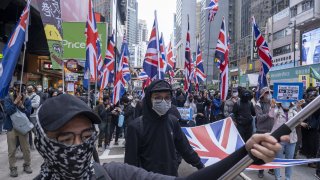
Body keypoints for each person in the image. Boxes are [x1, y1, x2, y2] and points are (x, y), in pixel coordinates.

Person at [33, 93, 285, 180]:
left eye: (86, 137)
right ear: (43, 143)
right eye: (65, 140)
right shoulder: (136, 126)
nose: (77, 147)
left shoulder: (114, 175)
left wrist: (245, 154)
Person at [125, 80, 205, 176]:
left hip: (171, 176)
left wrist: (201, 166)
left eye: (167, 97)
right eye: (158, 98)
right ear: (149, 99)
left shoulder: (173, 122)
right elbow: (130, 165)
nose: (163, 101)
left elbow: (185, 148)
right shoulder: (136, 127)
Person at [3, 81, 33, 177]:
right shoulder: (8, 98)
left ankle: (27, 165)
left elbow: (28, 114)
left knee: (26, 148)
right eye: (18, 87)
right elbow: (8, 111)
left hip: (22, 128)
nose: (19, 89)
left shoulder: (27, 99)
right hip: (11, 127)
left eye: (22, 87)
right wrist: (15, 103)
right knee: (11, 150)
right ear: (14, 88)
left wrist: (22, 106)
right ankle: (13, 168)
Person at [270, 101, 301, 180]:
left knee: (289, 160)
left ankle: (288, 178)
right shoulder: (277, 110)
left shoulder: (294, 111)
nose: (286, 103)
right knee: (278, 159)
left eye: (288, 102)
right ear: (280, 102)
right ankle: (278, 177)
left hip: (291, 139)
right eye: (284, 101)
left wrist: (298, 107)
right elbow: (271, 115)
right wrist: (273, 106)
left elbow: (300, 118)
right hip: (279, 139)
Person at [255, 87, 275, 178]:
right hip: (262, 131)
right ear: (263, 94)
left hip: (273, 131)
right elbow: (259, 118)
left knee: (272, 152)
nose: (269, 94)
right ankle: (260, 170)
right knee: (262, 153)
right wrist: (268, 114)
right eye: (267, 93)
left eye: (270, 92)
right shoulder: (258, 104)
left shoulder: (273, 103)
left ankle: (272, 168)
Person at [26, 85, 40, 150]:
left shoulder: (37, 96)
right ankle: (31, 145)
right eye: (28, 88)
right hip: (25, 116)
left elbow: (36, 105)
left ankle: (39, 144)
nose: (29, 89)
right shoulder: (24, 96)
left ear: (33, 89)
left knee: (35, 131)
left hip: (33, 116)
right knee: (28, 132)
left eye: (30, 88)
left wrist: (28, 104)